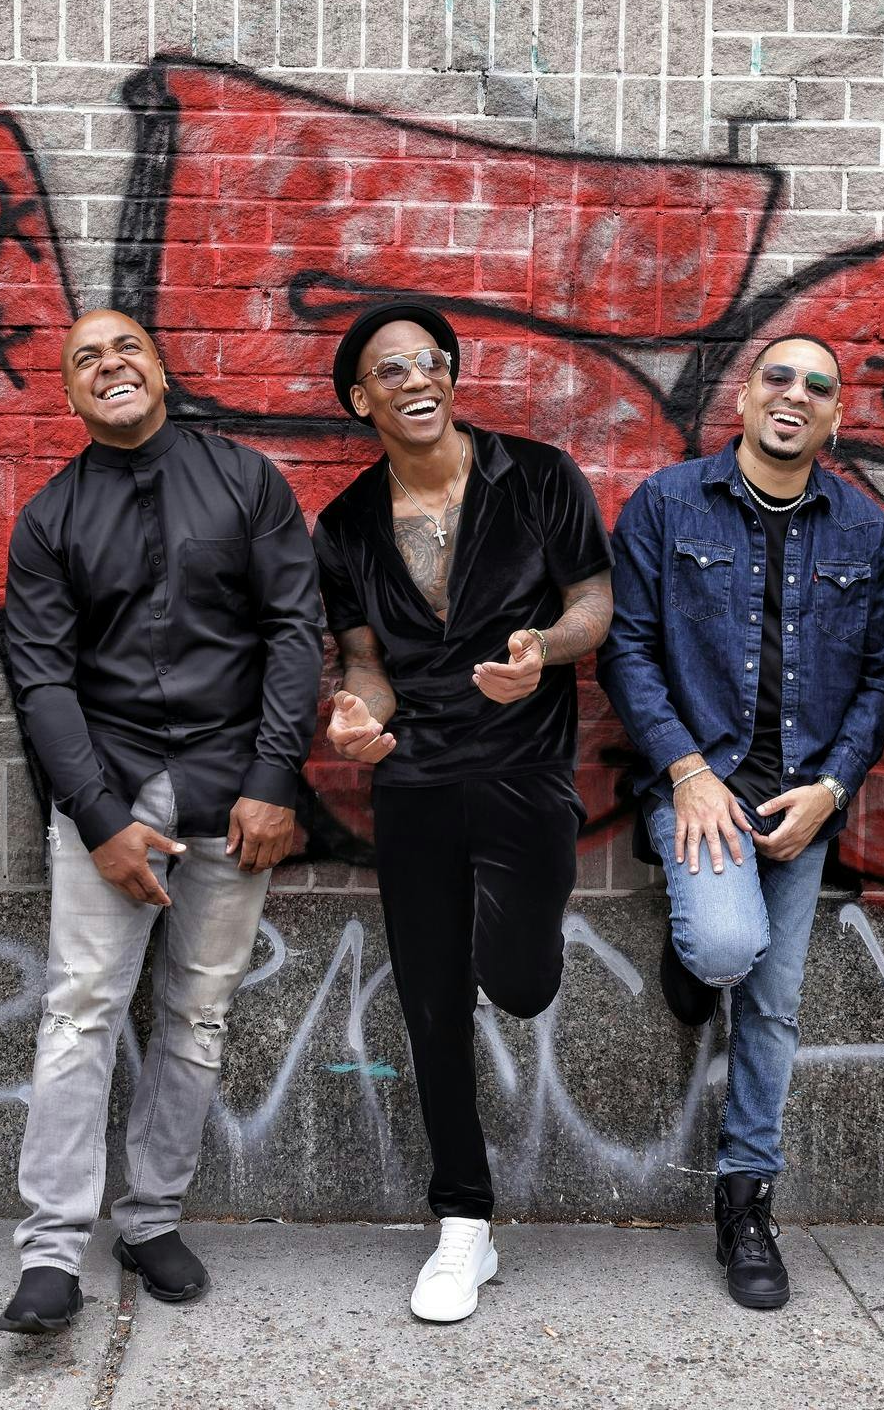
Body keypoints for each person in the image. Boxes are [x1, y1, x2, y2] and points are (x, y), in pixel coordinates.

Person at [0, 310, 324, 1334]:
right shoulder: (50, 517)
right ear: (71, 392)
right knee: (81, 1007)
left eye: (125, 347)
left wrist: (273, 777)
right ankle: (50, 1250)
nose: (109, 365)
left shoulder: (246, 480)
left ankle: (149, 1217)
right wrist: (98, 818)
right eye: (85, 357)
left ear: (161, 368)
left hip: (234, 784)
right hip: (112, 782)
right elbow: (42, 678)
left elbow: (292, 628)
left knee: (196, 1012)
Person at [314, 301, 613, 1322]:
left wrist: (544, 650)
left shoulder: (535, 476)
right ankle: (461, 1221)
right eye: (389, 368)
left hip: (525, 768)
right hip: (415, 777)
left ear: (449, 376)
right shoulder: (345, 523)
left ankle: (520, 959)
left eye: (429, 361)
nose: (414, 378)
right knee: (432, 999)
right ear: (361, 398)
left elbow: (591, 602)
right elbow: (365, 663)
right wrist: (358, 714)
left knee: (519, 984)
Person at [597, 334, 884, 1309]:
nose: (795, 395)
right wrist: (684, 772)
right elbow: (627, 648)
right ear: (743, 399)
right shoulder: (666, 504)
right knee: (728, 943)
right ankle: (696, 953)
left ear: (835, 417)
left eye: (819, 385)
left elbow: (882, 678)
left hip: (802, 798)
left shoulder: (863, 530)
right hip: (700, 783)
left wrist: (834, 788)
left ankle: (746, 1202)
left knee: (772, 1003)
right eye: (778, 376)